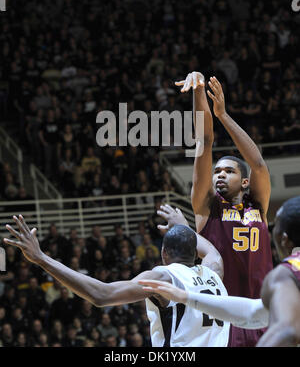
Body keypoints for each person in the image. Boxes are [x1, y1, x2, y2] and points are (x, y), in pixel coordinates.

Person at [4, 216, 229, 347]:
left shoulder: (164, 276)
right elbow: (212, 251)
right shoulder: (214, 271)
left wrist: (42, 259)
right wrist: (184, 226)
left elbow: (102, 295)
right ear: (193, 252)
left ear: (164, 253)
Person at [173, 72, 273, 347]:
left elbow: (260, 166)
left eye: (228, 171)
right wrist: (198, 92)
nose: (219, 174)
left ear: (244, 181)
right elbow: (204, 142)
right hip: (223, 322)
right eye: (217, 171)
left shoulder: (258, 205)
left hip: (264, 315)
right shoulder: (207, 207)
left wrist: (224, 115)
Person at [141, 196, 300, 347]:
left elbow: (283, 329)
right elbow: (254, 312)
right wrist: (187, 297)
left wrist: (185, 230)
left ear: (284, 239)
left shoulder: (286, 274)